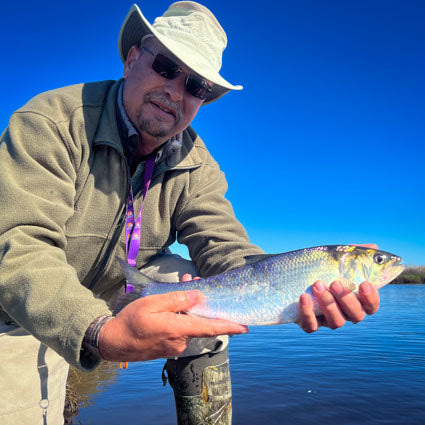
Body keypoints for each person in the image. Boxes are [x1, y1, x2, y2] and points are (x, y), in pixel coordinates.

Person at [0, 2, 380, 424]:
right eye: (165, 67)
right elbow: (19, 246)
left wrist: (296, 285)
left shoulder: (197, 163)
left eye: (197, 85)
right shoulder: (51, 121)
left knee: (208, 307)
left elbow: (227, 249)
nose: (176, 92)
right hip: (13, 307)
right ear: (131, 60)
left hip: (121, 287)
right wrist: (100, 332)